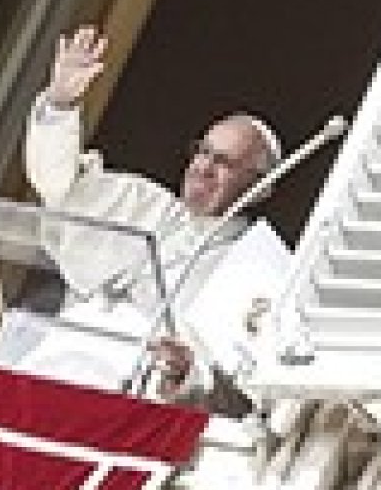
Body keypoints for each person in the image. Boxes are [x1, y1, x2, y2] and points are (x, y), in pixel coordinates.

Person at [23, 24, 291, 417]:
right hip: (55, 363)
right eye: (203, 152)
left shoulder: (256, 271)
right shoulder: (139, 201)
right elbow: (54, 181)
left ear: (261, 186)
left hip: (129, 406)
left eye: (224, 162)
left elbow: (245, 394)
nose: (203, 167)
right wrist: (61, 101)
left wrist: (189, 376)